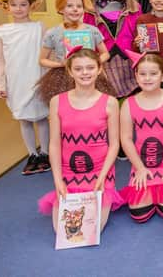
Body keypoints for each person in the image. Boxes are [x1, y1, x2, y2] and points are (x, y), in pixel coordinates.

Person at [38, 47, 124, 231]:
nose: (85, 73)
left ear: (99, 69)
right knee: (62, 231)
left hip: (100, 172)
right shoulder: (57, 101)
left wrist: (103, 176)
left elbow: (114, 143)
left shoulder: (110, 102)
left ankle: (104, 188)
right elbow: (54, 144)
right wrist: (58, 180)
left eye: (90, 67)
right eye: (78, 69)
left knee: (91, 229)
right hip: (69, 173)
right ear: (69, 71)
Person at [119, 52, 163, 222]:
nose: (147, 78)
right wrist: (139, 168)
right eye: (142, 74)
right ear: (136, 76)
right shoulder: (128, 104)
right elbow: (126, 139)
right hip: (144, 166)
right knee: (139, 215)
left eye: (153, 74)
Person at [0, 0, 50, 175]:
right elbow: (0, 59)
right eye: (14, 5)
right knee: (24, 118)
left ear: (31, 6)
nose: (18, 9)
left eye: (23, 4)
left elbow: (47, 51)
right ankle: (32, 153)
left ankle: (45, 152)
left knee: (42, 116)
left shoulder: (38, 27)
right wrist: (0, 83)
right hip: (16, 80)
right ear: (7, 7)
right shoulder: (2, 31)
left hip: (37, 77)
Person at [85, 0, 141, 98]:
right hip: (104, 61)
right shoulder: (89, 9)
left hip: (129, 60)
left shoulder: (133, 6)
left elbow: (140, 31)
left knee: (130, 100)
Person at [38, 0, 110, 103]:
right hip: (63, 78)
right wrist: (60, 64)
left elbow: (106, 54)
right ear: (61, 8)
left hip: (90, 76)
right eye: (69, 6)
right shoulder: (53, 33)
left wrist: (94, 62)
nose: (75, 9)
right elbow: (42, 60)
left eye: (79, 6)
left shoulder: (92, 30)